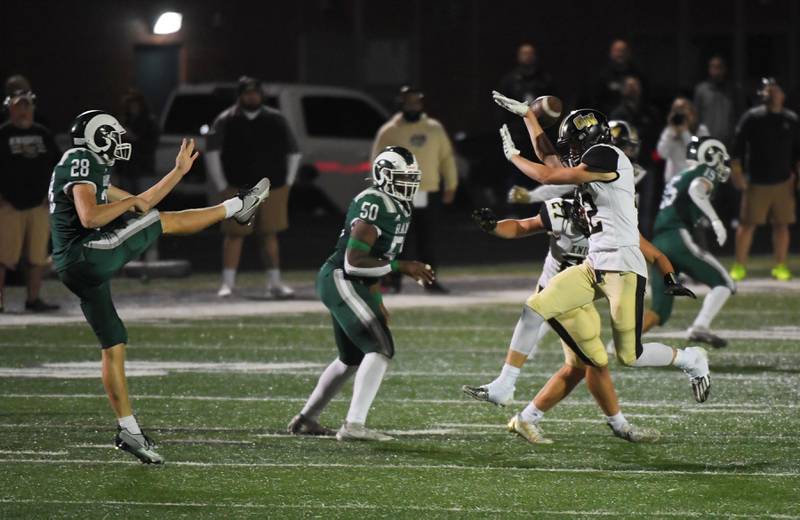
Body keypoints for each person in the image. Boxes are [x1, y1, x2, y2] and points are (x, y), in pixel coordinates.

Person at [50, 110, 270, 463]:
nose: (121, 141)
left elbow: (144, 201)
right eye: (114, 134)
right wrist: (129, 203)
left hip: (74, 266)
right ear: (98, 137)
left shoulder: (87, 165)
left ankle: (129, 430)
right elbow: (90, 216)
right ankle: (237, 207)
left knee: (113, 343)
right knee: (159, 222)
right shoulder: (81, 161)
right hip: (86, 255)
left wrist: (177, 173)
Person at [491, 92, 712, 417]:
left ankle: (690, 358)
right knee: (535, 307)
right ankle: (505, 384)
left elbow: (548, 175)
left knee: (630, 355)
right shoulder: (593, 163)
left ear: (591, 139)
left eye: (576, 145)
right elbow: (552, 161)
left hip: (623, 267)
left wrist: (513, 157)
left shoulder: (607, 155)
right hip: (595, 264)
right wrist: (528, 115)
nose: (572, 153)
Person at [465, 198, 691, 443]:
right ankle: (619, 425)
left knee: (579, 367)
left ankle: (527, 418)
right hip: (556, 298)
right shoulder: (561, 211)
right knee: (596, 361)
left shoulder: (615, 223)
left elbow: (653, 254)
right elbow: (523, 226)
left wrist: (668, 278)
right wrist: (494, 226)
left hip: (581, 300)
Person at [288, 146, 435, 441]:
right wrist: (401, 266)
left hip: (352, 282)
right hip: (341, 278)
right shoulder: (374, 202)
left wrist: (377, 301)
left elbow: (376, 261)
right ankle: (354, 425)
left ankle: (306, 419)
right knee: (380, 348)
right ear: (383, 176)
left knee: (350, 357)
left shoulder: (399, 206)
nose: (408, 183)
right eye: (400, 176)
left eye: (410, 176)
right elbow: (354, 261)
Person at [206, 76, 301, 298]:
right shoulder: (226, 119)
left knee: (269, 235)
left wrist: (288, 182)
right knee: (234, 235)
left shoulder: (276, 119)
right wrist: (222, 184)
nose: (252, 97)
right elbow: (212, 153)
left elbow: (294, 151)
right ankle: (227, 284)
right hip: (238, 186)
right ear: (239, 96)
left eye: (255, 92)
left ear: (261, 94)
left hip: (272, 186)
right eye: (247, 93)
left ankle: (275, 283)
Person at [643, 137, 736, 348]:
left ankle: (617, 345)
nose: (723, 165)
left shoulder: (679, 176)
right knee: (724, 283)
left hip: (658, 243)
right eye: (721, 159)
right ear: (711, 155)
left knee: (658, 312)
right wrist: (715, 220)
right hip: (677, 237)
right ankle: (700, 326)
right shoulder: (704, 171)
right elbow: (696, 189)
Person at [371, 86, 457, 294]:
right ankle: (393, 281)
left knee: (429, 240)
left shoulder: (434, 128)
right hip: (399, 194)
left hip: (429, 192)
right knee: (397, 240)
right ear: (400, 104)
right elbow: (378, 161)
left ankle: (430, 280)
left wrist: (451, 184)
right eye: (408, 102)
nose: (413, 106)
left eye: (416, 101)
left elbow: (446, 157)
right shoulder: (390, 130)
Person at [729, 78, 800, 282]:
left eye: (776, 91)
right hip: (756, 181)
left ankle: (781, 266)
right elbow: (737, 148)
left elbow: (797, 151)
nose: (773, 94)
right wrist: (737, 173)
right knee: (747, 225)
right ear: (763, 95)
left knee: (782, 225)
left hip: (783, 181)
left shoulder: (791, 119)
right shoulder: (752, 117)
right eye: (769, 91)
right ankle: (739, 266)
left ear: (783, 95)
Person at [0, 88, 60, 312]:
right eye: (19, 106)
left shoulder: (43, 134)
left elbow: (58, 164)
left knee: (38, 257)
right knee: (3, 258)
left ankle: (33, 299)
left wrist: (52, 193)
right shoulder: (3, 134)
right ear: (10, 108)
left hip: (39, 205)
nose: (23, 110)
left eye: (27, 105)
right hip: (9, 206)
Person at [609, 76, 661, 236]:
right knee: (625, 206)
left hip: (646, 164)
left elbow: (657, 136)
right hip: (624, 167)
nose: (633, 90)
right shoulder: (618, 113)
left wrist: (653, 157)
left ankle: (645, 244)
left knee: (646, 208)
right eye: (629, 86)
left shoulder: (650, 111)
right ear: (623, 90)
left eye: (636, 86)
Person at [657, 97, 710, 183]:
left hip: (693, 183)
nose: (680, 113)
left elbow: (697, 154)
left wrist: (684, 132)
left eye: (683, 109)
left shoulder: (701, 131)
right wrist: (672, 133)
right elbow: (662, 154)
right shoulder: (669, 131)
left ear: (692, 112)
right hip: (673, 182)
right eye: (676, 109)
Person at [693, 56, 739, 148]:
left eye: (719, 67)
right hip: (706, 143)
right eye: (713, 67)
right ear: (709, 69)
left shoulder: (732, 91)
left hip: (727, 143)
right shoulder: (701, 90)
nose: (716, 71)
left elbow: (738, 115)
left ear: (724, 69)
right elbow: (695, 117)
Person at [593, 39, 645, 115]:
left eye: (623, 51)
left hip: (635, 117)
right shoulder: (602, 77)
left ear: (629, 53)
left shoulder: (638, 75)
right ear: (611, 53)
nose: (620, 54)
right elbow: (596, 102)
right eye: (617, 51)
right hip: (608, 118)